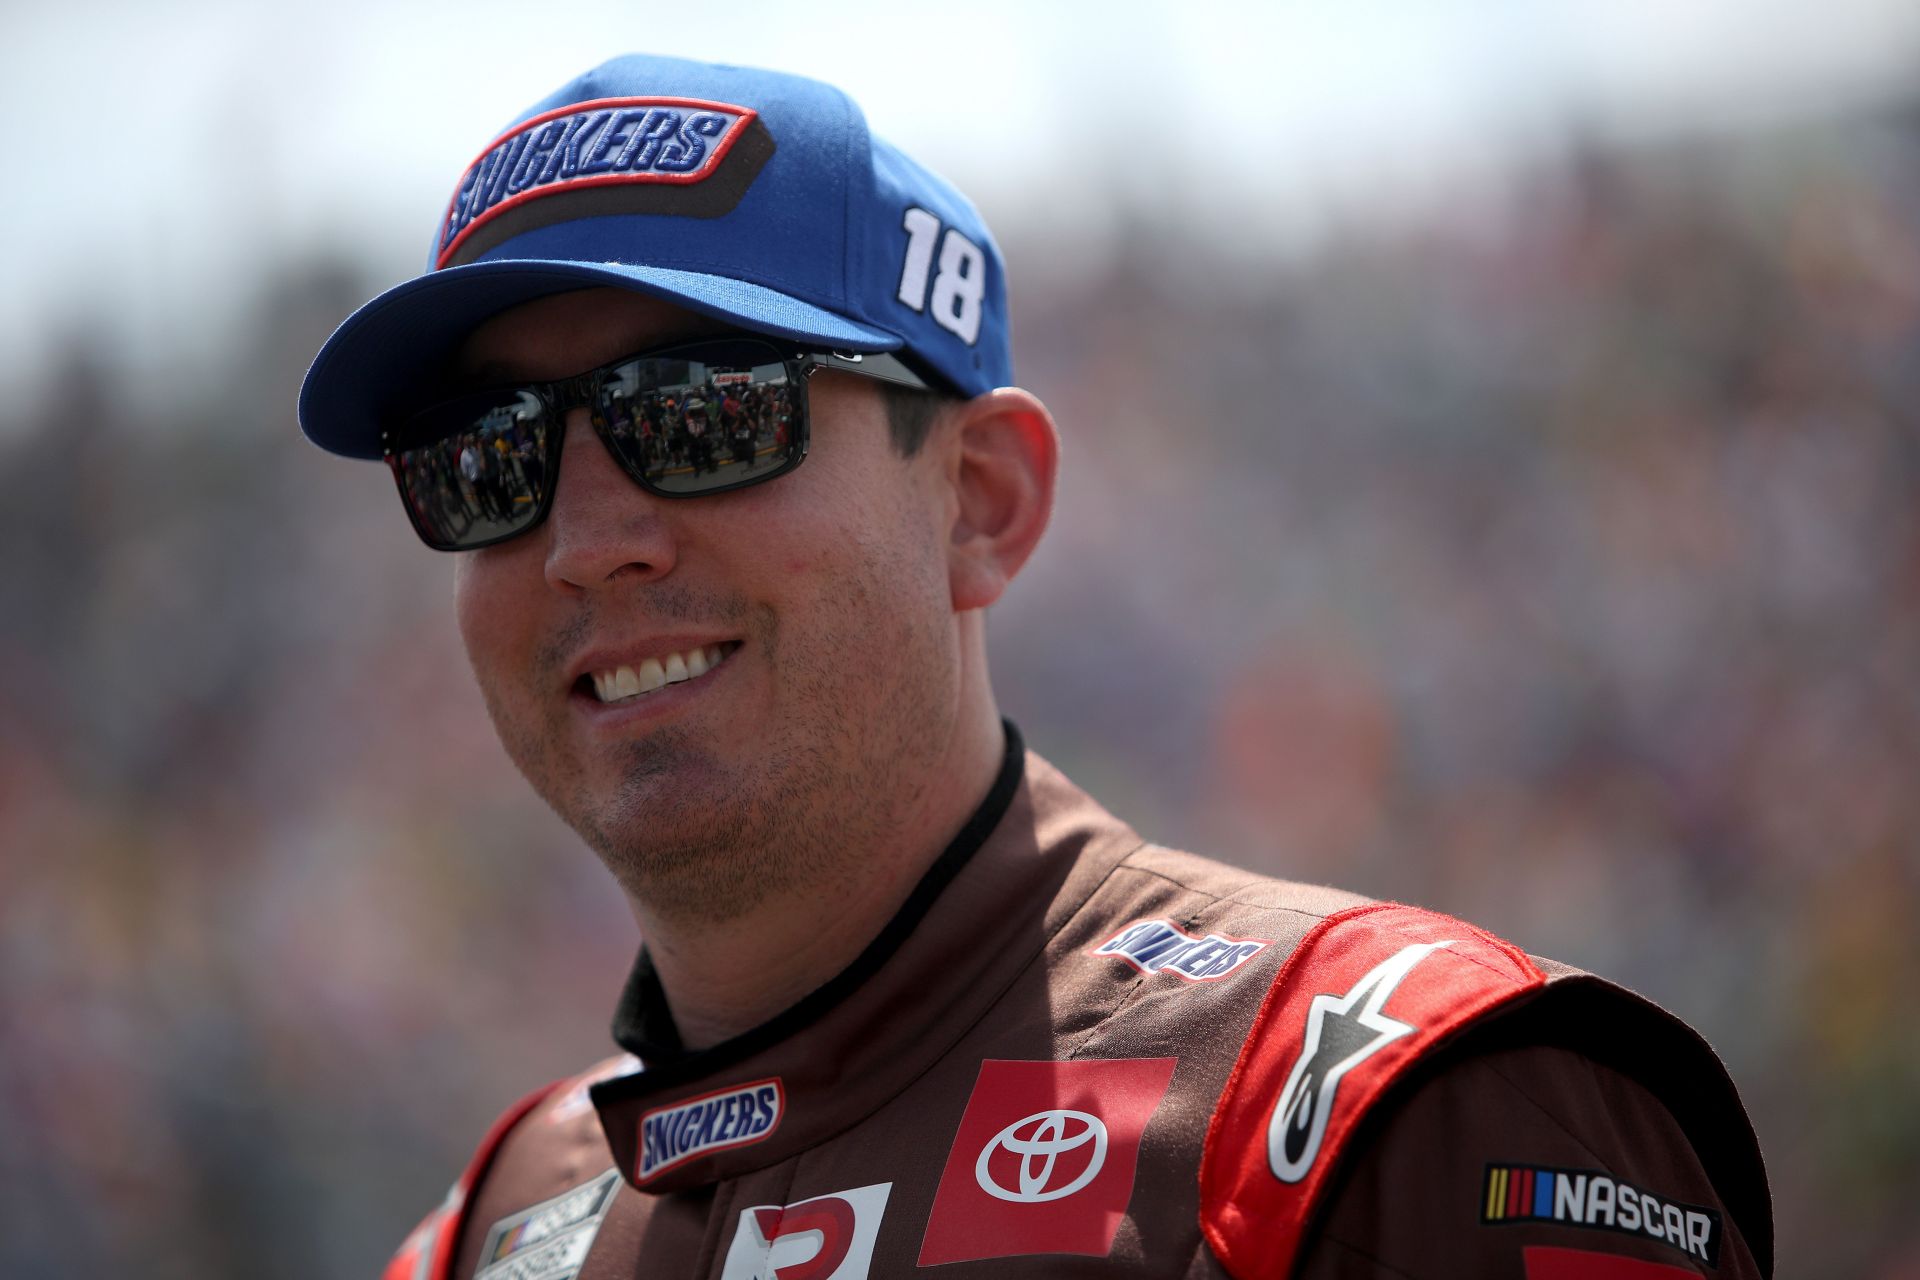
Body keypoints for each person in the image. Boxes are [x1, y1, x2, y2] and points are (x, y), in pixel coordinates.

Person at [298, 54, 1771, 1280]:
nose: (585, 540)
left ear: (981, 501)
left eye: (697, 414)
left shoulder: (1382, 1108)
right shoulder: (487, 1236)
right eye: (487, 460)